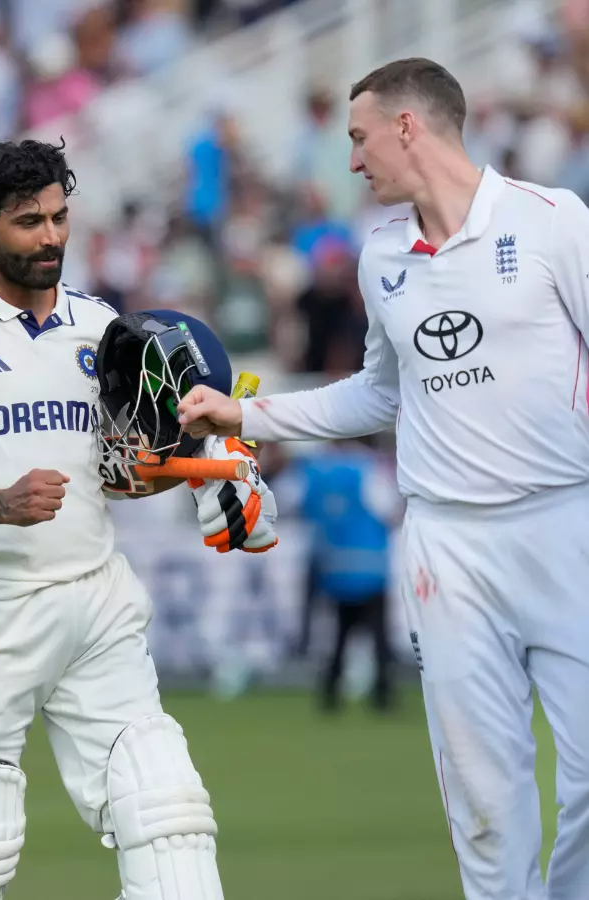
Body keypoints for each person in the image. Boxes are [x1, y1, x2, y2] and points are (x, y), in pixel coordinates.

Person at [177, 57, 589, 900]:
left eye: (360, 137)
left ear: (410, 126)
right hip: (448, 545)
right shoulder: (381, 256)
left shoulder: (555, 223)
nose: (354, 160)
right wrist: (244, 415)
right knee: (484, 798)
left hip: (566, 522)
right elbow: (378, 393)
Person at [0, 138, 276, 900]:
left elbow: (134, 455)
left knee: (168, 810)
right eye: (27, 222)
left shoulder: (101, 326)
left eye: (60, 217)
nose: (51, 237)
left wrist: (201, 483)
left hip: (97, 601)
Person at [284, 436, 398, 712]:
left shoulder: (313, 469)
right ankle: (382, 696)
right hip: (370, 565)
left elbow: (288, 502)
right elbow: (389, 509)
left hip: (332, 565)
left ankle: (330, 694)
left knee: (339, 635)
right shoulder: (368, 468)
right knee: (378, 636)